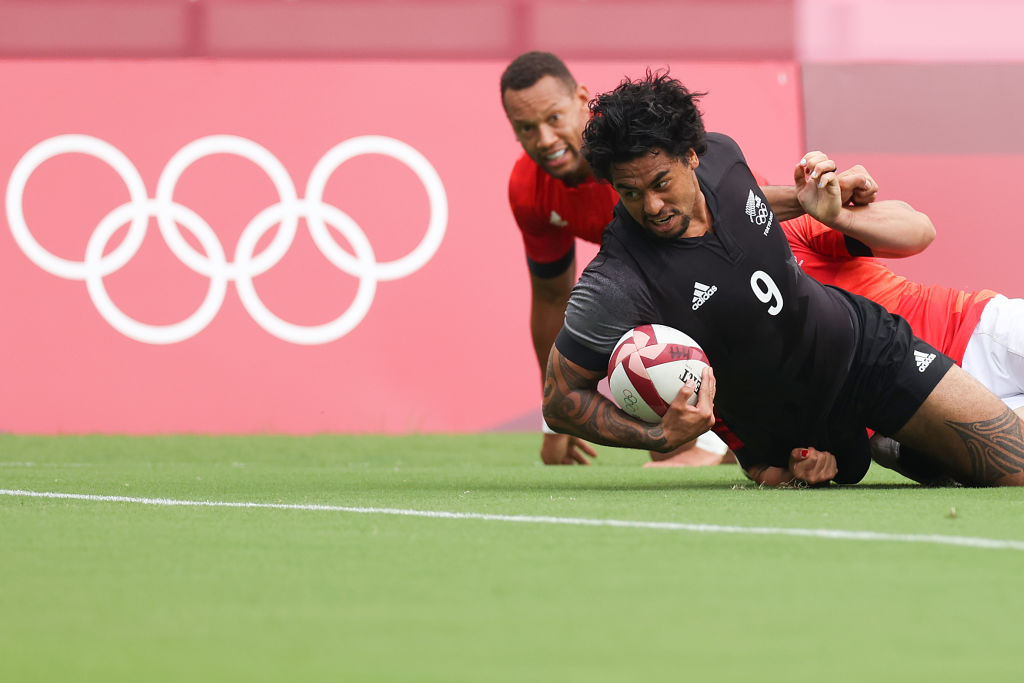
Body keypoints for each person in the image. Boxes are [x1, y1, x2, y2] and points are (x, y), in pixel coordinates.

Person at [541, 70, 1024, 487]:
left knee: (1017, 464)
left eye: (660, 183)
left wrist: (807, 199)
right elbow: (561, 400)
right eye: (629, 192)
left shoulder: (724, 158)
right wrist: (658, 436)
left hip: (867, 350)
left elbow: (743, 197)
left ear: (692, 156)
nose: (650, 206)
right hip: (800, 430)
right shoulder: (618, 278)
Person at [500, 51, 806, 466]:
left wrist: (814, 202)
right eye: (526, 128)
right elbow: (553, 298)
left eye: (553, 118)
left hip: (768, 257)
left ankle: (734, 435)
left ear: (580, 99)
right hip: (688, 281)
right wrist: (554, 422)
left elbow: (728, 215)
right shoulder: (528, 189)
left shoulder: (633, 170)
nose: (545, 139)